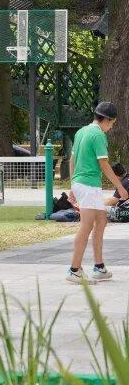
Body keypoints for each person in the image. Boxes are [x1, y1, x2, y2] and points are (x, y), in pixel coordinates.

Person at [66, 102, 127, 284]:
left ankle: (99, 267)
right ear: (106, 120)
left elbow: (72, 159)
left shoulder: (81, 132)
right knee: (86, 227)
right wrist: (121, 187)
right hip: (89, 185)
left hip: (81, 183)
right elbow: (104, 164)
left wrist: (73, 185)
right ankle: (74, 270)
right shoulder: (99, 135)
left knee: (101, 221)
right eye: (112, 123)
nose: (112, 126)